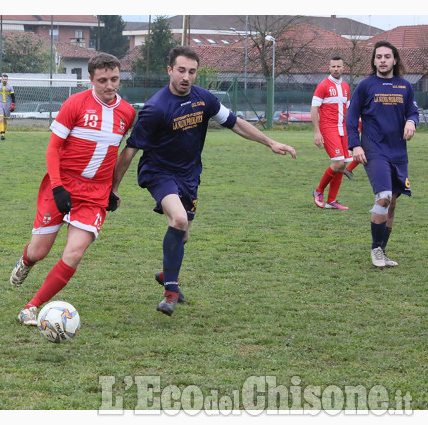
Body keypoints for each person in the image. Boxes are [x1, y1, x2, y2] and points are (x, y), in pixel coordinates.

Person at [111, 46, 296, 316]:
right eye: (181, 70)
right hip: (159, 172)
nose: (186, 76)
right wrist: (114, 187)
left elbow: (235, 122)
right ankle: (171, 292)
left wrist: (270, 142)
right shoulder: (156, 108)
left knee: (182, 236)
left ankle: (167, 273)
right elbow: (131, 149)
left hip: (189, 175)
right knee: (179, 219)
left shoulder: (203, 99)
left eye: (192, 72)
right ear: (170, 71)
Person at [10, 53, 136, 325]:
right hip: (62, 184)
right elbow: (53, 147)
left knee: (74, 252)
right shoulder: (75, 104)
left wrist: (112, 189)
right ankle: (26, 261)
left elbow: (121, 154)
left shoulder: (127, 113)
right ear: (91, 80)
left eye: (114, 79)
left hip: (94, 194)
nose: (109, 86)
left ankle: (31, 307)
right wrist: (57, 187)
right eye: (102, 80)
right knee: (39, 251)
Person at [346, 40, 418, 269]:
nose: (383, 60)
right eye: (379, 57)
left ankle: (382, 251)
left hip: (398, 151)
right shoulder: (366, 85)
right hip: (373, 150)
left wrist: (411, 122)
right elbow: (350, 118)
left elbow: (413, 112)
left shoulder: (405, 86)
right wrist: (355, 146)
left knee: (393, 203)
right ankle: (375, 250)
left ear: (394, 60)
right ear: (374, 60)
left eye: (387, 56)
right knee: (384, 196)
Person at [311, 56, 351, 210]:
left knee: (343, 165)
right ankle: (318, 191)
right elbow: (314, 109)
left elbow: (348, 111)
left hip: (343, 129)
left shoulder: (346, 87)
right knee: (338, 163)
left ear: (343, 68)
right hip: (328, 129)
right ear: (329, 68)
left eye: (338, 66)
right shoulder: (323, 86)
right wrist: (317, 132)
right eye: (333, 66)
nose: (336, 69)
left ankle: (331, 201)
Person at [0, 73, 16, 140]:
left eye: (5, 79)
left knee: (5, 120)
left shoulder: (10, 87)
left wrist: (13, 104)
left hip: (7, 104)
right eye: (3, 79)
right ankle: (2, 134)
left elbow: (13, 97)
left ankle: (3, 132)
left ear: (7, 80)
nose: (4, 80)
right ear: (1, 79)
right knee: (1, 118)